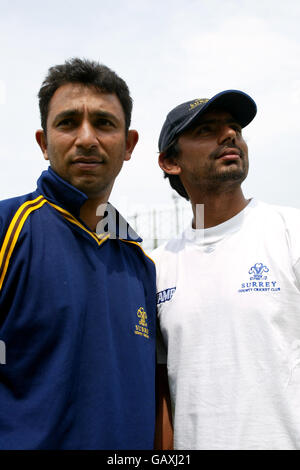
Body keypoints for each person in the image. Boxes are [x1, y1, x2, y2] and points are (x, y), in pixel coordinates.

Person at [0, 58, 156, 450]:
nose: (86, 138)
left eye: (104, 123)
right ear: (43, 142)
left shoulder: (141, 264)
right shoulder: (7, 228)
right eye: (68, 122)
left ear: (129, 144)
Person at [152, 90, 300, 450]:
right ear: (171, 162)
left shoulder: (290, 232)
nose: (230, 135)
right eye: (206, 130)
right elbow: (161, 397)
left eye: (235, 127)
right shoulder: (157, 267)